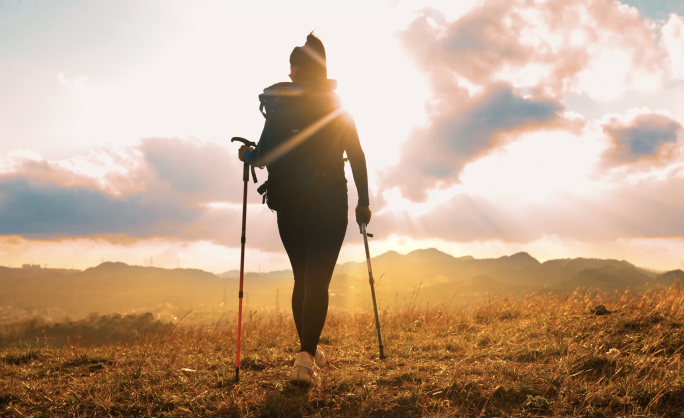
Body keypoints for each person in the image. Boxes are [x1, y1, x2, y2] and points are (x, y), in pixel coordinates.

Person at [238, 33, 371, 387]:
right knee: (318, 280)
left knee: (301, 278)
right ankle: (306, 357)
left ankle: (307, 352)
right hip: (329, 201)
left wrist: (246, 155)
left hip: (290, 202)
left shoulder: (281, 105)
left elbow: (262, 156)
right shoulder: (337, 106)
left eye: (292, 68)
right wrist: (364, 201)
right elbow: (356, 155)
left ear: (296, 70)